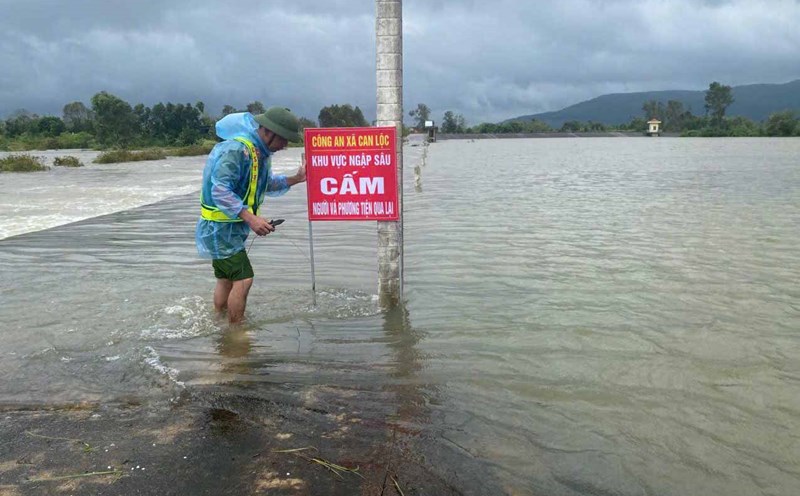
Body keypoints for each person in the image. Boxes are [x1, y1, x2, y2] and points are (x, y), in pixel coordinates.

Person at [196, 107, 305, 323]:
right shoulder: (237, 150)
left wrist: (297, 178)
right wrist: (251, 218)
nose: (285, 146)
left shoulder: (260, 154)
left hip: (230, 229)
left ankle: (219, 323)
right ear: (268, 131)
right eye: (283, 139)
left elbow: (267, 184)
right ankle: (236, 332)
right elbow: (220, 190)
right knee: (244, 279)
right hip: (219, 229)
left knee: (226, 279)